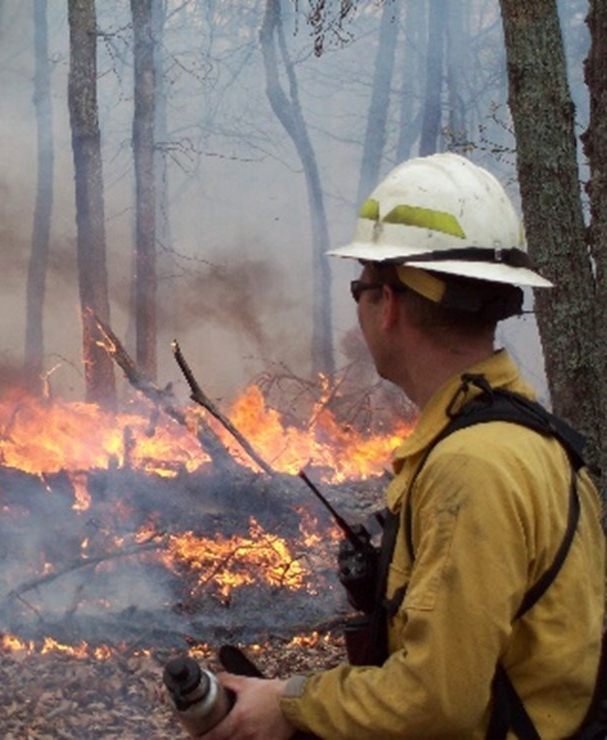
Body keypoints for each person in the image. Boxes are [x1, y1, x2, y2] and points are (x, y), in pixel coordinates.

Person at [200, 153, 605, 739]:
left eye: (361, 286)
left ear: (387, 304)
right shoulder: (527, 441)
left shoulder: (473, 467)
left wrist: (290, 702)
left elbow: (436, 704)